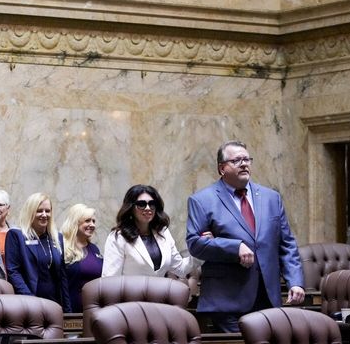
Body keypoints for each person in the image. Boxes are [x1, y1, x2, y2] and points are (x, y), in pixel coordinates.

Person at [187, 140, 305, 332]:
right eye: (236, 160)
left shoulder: (271, 198)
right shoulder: (202, 200)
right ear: (222, 168)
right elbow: (195, 244)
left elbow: (287, 244)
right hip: (227, 302)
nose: (244, 164)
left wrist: (296, 282)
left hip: (267, 299)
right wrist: (235, 247)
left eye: (246, 159)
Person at [103, 184, 200, 278]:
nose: (148, 208)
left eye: (152, 204)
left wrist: (205, 247)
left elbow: (180, 268)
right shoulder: (118, 237)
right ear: (130, 208)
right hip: (129, 294)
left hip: (159, 294)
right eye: (141, 204)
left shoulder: (163, 232)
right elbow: (110, 279)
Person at [5, 193, 71, 312]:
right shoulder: (16, 236)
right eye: (39, 211)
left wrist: (67, 310)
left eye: (48, 211)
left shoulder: (57, 238)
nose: (44, 215)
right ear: (30, 212)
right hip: (28, 305)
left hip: (55, 305)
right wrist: (31, 301)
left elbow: (62, 277)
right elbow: (13, 272)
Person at [61, 204, 103, 313]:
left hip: (94, 312)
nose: (92, 225)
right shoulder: (62, 248)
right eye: (87, 221)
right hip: (69, 312)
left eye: (93, 221)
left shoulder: (94, 249)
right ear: (75, 222)